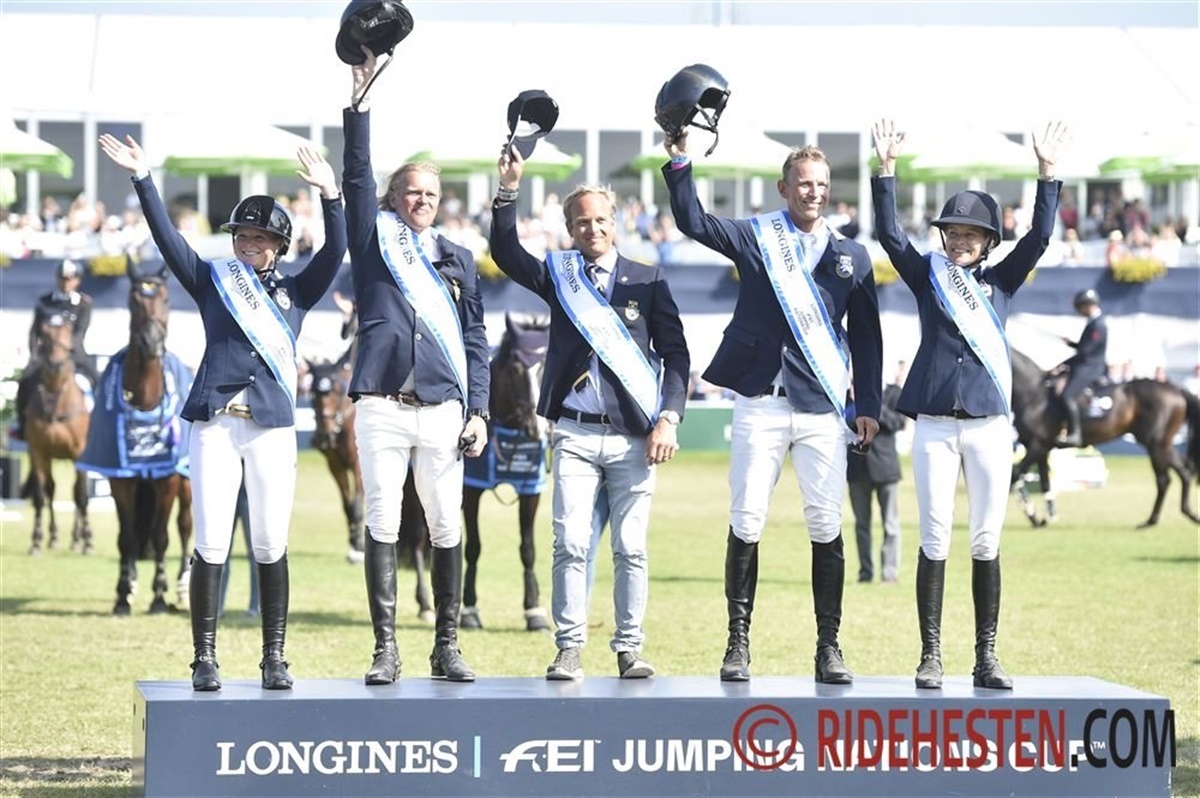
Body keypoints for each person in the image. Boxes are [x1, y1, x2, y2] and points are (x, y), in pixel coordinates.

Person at [99, 133, 347, 692]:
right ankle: (204, 658)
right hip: (215, 423)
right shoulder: (214, 281)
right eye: (242, 236)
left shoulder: (298, 291)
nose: (249, 245)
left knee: (270, 541)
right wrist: (143, 179)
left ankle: (274, 657)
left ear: (278, 246)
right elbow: (168, 241)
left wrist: (331, 195)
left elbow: (335, 252)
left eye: (260, 239)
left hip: (269, 428)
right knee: (210, 541)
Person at [663, 134, 882, 685]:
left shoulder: (853, 256)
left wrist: (868, 404)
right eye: (804, 184)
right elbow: (693, 221)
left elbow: (868, 338)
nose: (814, 193)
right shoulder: (756, 236)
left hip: (821, 407)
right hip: (759, 401)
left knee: (825, 523)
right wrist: (680, 160)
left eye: (822, 185)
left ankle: (828, 647)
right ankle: (737, 643)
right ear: (784, 189)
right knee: (746, 519)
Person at [870, 118, 1068, 691]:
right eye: (953, 233)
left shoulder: (1002, 282)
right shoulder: (927, 277)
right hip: (934, 426)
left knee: (985, 539)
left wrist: (1046, 173)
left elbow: (1040, 238)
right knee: (934, 538)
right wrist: (886, 170)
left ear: (987, 242)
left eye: (971, 234)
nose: (960, 241)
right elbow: (890, 236)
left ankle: (986, 656)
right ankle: (930, 655)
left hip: (987, 428)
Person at [492, 146, 690, 682]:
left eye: (601, 220)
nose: (593, 228)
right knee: (571, 544)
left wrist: (669, 417)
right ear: (570, 229)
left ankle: (629, 649)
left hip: (635, 438)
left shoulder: (648, 280)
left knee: (631, 548)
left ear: (615, 222)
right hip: (575, 434)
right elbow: (506, 253)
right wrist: (508, 189)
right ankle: (569, 648)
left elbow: (676, 356)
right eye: (582, 222)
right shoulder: (559, 275)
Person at [344, 49, 490, 685]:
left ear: (440, 202)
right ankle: (386, 649)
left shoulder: (459, 257)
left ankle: (446, 646)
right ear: (395, 198)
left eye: (430, 194)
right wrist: (359, 107)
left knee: (445, 522)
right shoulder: (372, 239)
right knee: (381, 518)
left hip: (443, 410)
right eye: (412, 192)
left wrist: (479, 408)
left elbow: (476, 337)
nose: (421, 201)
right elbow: (355, 177)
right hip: (381, 402)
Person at [13, 258, 97, 440]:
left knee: (97, 381)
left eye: (70, 278)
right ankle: (22, 425)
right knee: (25, 381)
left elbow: (79, 333)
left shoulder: (84, 304)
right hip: (46, 357)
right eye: (62, 278)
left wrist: (63, 352)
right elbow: (34, 332)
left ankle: (98, 425)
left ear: (77, 280)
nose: (65, 282)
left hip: (73, 356)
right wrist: (35, 356)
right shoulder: (44, 302)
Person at [847, 360, 907, 584]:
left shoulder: (893, 393)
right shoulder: (848, 395)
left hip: (886, 468)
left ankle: (889, 574)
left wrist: (870, 406)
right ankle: (865, 573)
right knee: (861, 524)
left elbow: (898, 422)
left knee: (890, 524)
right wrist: (856, 402)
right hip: (857, 468)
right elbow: (846, 421)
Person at [1055, 288, 1107, 447]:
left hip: (1090, 367)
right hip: (1087, 364)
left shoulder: (1098, 324)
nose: (1079, 311)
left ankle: (1075, 433)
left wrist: (1064, 364)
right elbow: (1086, 346)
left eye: (1080, 307)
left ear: (1088, 305)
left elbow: (1086, 353)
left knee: (1067, 396)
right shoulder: (1093, 322)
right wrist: (1072, 344)